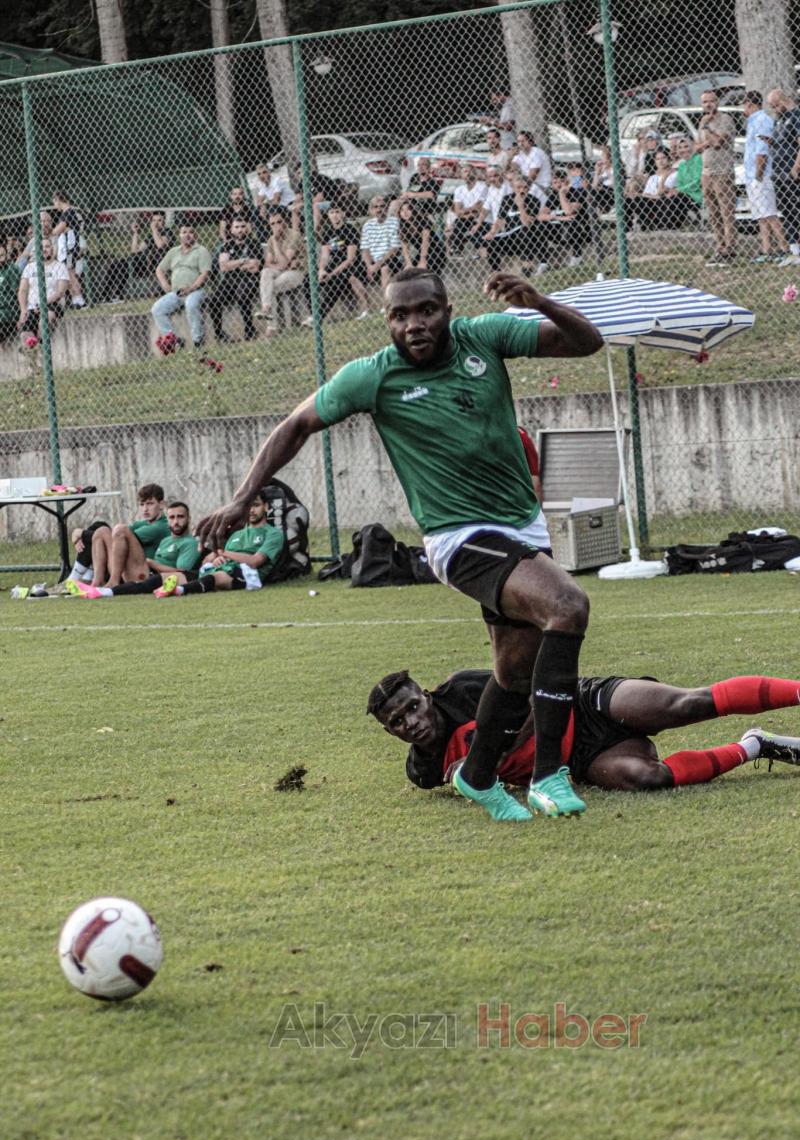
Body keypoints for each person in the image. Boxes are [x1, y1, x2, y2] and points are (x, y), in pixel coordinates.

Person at [196, 267, 603, 821]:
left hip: (521, 525)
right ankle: (549, 774)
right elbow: (296, 424)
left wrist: (539, 301)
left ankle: (478, 776)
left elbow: (587, 342)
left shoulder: (484, 337)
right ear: (387, 319)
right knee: (568, 606)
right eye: (400, 314)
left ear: (447, 311)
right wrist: (244, 496)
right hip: (458, 536)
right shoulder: (372, 377)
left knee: (514, 673)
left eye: (426, 310)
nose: (414, 323)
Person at [368, 668, 800, 801]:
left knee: (685, 706)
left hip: (580, 703)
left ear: (426, 696)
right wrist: (478, 781)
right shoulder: (424, 771)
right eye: (397, 721)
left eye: (412, 706)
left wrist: (488, 756)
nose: (411, 721)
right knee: (646, 777)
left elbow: (538, 696)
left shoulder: (463, 690)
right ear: (389, 732)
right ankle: (755, 745)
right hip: (580, 759)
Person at [159, 491, 285, 596]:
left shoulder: (273, 534)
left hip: (247, 575)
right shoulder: (237, 535)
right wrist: (217, 559)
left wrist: (224, 553)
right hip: (224, 568)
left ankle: (180, 590)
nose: (251, 510)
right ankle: (145, 587)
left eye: (256, 505)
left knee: (217, 576)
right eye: (248, 507)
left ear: (266, 507)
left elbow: (255, 561)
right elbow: (210, 560)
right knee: (178, 575)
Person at [67, 501, 201, 598]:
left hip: (148, 576)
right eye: (172, 517)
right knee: (101, 531)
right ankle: (97, 582)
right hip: (135, 570)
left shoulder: (189, 543)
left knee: (121, 530)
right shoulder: (166, 540)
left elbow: (183, 573)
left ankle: (113, 582)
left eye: (180, 517)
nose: (176, 522)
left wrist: (152, 563)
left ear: (188, 519)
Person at [743, 90, 789, 263]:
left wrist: (758, 174)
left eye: (744, 103)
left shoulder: (762, 121)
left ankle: (785, 247)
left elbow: (761, 152)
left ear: (749, 103)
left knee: (769, 213)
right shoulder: (752, 122)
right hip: (751, 175)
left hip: (760, 175)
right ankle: (766, 249)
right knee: (760, 216)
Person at [152, 226, 211, 350]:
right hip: (177, 293)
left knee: (191, 304)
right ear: (179, 235)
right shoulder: (173, 252)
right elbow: (159, 269)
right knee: (157, 309)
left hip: (196, 291)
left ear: (196, 236)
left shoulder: (201, 250)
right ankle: (173, 339)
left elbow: (205, 273)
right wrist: (165, 285)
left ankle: (198, 340)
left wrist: (191, 288)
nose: (187, 235)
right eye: (184, 232)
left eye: (191, 232)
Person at [695, 89, 737, 265]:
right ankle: (720, 246)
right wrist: (706, 140)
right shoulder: (702, 121)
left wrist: (708, 130)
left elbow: (719, 142)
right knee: (713, 214)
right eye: (705, 102)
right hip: (707, 172)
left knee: (726, 211)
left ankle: (730, 249)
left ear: (717, 102)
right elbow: (697, 147)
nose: (708, 105)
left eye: (711, 101)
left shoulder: (724, 119)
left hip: (722, 171)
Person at [207, 216, 261, 343]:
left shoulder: (253, 243)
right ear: (231, 230)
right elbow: (223, 266)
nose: (240, 230)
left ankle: (249, 329)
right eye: (236, 227)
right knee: (213, 301)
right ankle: (219, 334)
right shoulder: (227, 245)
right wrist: (243, 261)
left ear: (247, 228)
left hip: (249, 279)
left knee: (242, 295)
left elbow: (255, 266)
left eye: (242, 226)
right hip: (229, 280)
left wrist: (233, 263)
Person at [256, 210, 307, 336]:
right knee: (266, 272)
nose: (276, 226)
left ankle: (271, 327)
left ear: (285, 222)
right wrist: (279, 264)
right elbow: (267, 263)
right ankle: (266, 307)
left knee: (270, 287)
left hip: (297, 272)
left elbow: (285, 263)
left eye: (279, 222)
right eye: (272, 224)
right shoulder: (270, 239)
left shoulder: (294, 235)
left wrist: (275, 243)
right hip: (281, 271)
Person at [314, 204, 368, 321]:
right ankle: (312, 314)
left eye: (337, 212)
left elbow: (350, 258)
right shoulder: (327, 232)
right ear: (328, 215)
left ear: (343, 214)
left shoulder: (350, 230)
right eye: (332, 212)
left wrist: (332, 274)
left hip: (352, 265)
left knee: (337, 280)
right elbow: (325, 255)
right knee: (309, 280)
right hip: (334, 264)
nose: (335, 215)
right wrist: (322, 270)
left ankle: (319, 317)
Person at [766, 88, 800, 266]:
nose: (774, 109)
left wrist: (796, 166)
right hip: (778, 173)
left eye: (775, 105)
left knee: (796, 207)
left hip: (791, 172)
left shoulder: (796, 117)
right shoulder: (779, 120)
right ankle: (795, 251)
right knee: (786, 210)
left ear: (782, 101)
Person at [17, 237, 69, 346]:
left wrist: (43, 303)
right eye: (41, 247)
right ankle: (33, 347)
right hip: (32, 308)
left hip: (52, 305)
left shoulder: (59, 266)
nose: (44, 249)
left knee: (45, 320)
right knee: (24, 334)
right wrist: (23, 310)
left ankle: (42, 345)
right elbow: (22, 290)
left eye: (47, 246)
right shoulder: (30, 268)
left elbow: (60, 292)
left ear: (52, 249)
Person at [359, 196, 402, 297]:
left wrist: (377, 265)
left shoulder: (394, 222)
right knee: (351, 274)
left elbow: (394, 249)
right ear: (370, 210)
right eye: (375, 207)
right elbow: (365, 249)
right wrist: (369, 266)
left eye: (382, 206)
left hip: (391, 258)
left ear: (386, 208)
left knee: (385, 269)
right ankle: (366, 309)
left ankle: (387, 303)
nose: (379, 209)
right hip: (373, 262)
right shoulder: (367, 225)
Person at [51, 190, 86, 308]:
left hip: (69, 249)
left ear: (58, 200)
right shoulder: (67, 213)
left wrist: (50, 231)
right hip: (67, 249)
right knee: (67, 274)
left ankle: (79, 299)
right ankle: (75, 299)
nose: (54, 205)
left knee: (70, 274)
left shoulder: (68, 213)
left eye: (54, 202)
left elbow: (57, 230)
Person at [446, 164, 488, 256]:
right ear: (461, 176)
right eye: (465, 172)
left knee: (475, 228)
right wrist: (471, 210)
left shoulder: (482, 187)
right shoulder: (459, 190)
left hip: (480, 219)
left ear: (475, 173)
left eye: (470, 171)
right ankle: (456, 250)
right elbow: (457, 212)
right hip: (464, 219)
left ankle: (482, 253)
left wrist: (465, 210)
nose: (468, 174)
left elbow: (479, 208)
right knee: (458, 223)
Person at [397, 200, 446, 274]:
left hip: (436, 251)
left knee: (423, 271)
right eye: (402, 210)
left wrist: (423, 261)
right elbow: (405, 248)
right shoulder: (403, 227)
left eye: (408, 209)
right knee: (409, 272)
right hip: (421, 253)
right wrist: (409, 263)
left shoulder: (422, 222)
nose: (405, 212)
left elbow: (425, 243)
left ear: (413, 210)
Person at [130, 212, 174, 291]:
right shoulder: (151, 236)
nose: (156, 223)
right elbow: (135, 250)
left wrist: (154, 230)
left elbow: (160, 245)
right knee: (119, 264)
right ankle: (109, 296)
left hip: (162, 260)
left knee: (157, 253)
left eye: (159, 220)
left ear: (164, 222)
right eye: (154, 221)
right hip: (147, 261)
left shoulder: (168, 232)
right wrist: (135, 233)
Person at [512, 130, 552, 194]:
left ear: (531, 142)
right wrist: (511, 156)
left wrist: (518, 184)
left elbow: (531, 178)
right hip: (527, 186)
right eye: (518, 141)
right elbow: (512, 169)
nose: (520, 144)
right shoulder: (520, 153)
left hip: (541, 186)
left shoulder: (536, 153)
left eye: (523, 141)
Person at [0, 244, 20, 341]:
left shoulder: (11, 269)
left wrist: (20, 315)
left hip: (8, 314)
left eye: (2, 255)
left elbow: (18, 292)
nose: (1, 259)